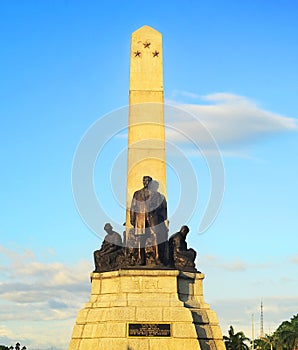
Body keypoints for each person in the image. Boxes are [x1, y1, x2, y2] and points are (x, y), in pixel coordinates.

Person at [130, 176, 168, 265]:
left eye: (147, 181)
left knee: (156, 237)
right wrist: (132, 219)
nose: (145, 182)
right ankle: (140, 259)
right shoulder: (137, 194)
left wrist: (160, 218)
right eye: (144, 181)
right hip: (140, 219)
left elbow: (163, 209)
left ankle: (157, 258)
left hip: (154, 219)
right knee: (140, 239)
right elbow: (133, 207)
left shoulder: (158, 195)